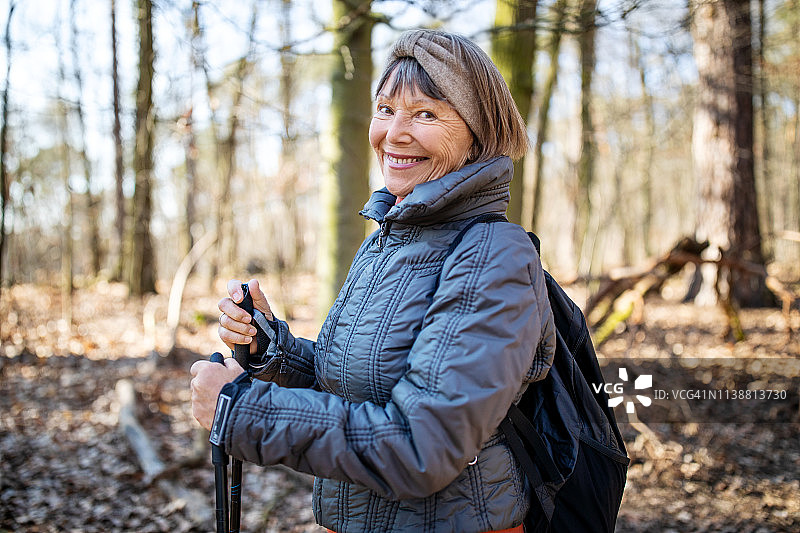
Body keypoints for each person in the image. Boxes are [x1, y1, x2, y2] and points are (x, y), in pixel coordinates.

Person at [191, 29, 555, 532]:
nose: (395, 132)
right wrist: (273, 347)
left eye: (425, 114)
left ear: (478, 134)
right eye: (385, 109)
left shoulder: (493, 257)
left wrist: (243, 413)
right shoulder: (388, 239)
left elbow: (422, 446)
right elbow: (358, 385)